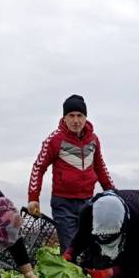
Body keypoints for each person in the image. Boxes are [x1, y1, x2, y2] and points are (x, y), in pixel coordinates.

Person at [27, 94, 114, 251]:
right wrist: (33, 198)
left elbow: (100, 167)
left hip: (88, 201)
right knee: (70, 249)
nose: (76, 120)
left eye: (80, 116)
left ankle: (87, 275)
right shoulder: (54, 140)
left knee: (89, 248)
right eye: (71, 115)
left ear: (85, 117)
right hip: (63, 203)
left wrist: (112, 192)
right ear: (64, 118)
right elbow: (38, 168)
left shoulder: (93, 140)